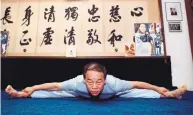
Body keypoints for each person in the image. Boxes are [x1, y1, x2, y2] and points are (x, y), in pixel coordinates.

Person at [5, 62, 187, 100]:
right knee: (52, 94)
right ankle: (20, 95)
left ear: (105, 79)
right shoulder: (77, 83)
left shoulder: (114, 84)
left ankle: (169, 95)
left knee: (139, 93)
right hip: (77, 95)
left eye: (98, 82)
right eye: (90, 82)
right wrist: (31, 88)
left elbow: (139, 83)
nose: (94, 86)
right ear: (84, 80)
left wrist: (158, 88)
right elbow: (54, 84)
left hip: (114, 95)